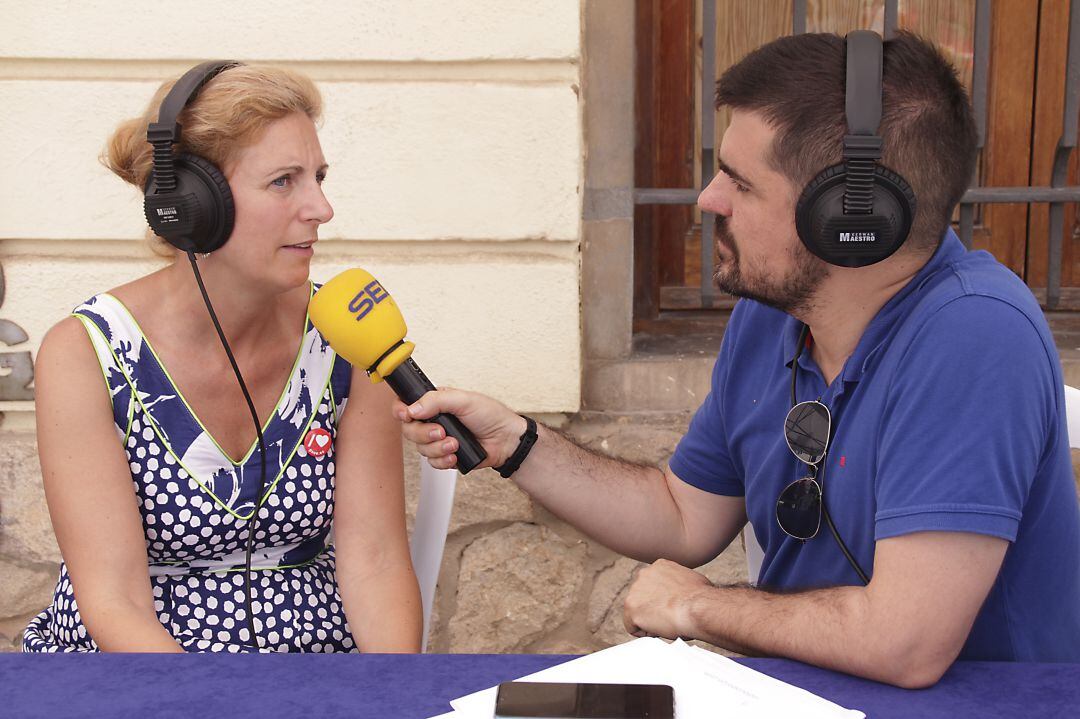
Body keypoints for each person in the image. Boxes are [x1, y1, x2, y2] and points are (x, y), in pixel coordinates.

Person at [397, 31, 1080, 687]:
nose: (708, 199)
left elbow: (903, 643)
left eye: (740, 183)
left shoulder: (976, 336)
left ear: (849, 218)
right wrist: (520, 444)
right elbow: (681, 514)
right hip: (803, 695)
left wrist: (700, 606)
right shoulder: (771, 314)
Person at [25, 63, 422, 652]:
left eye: (318, 176)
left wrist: (389, 698)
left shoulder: (346, 337)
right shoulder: (84, 352)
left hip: (314, 675)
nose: (322, 208)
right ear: (191, 204)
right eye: (284, 181)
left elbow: (375, 562)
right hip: (143, 676)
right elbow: (115, 601)